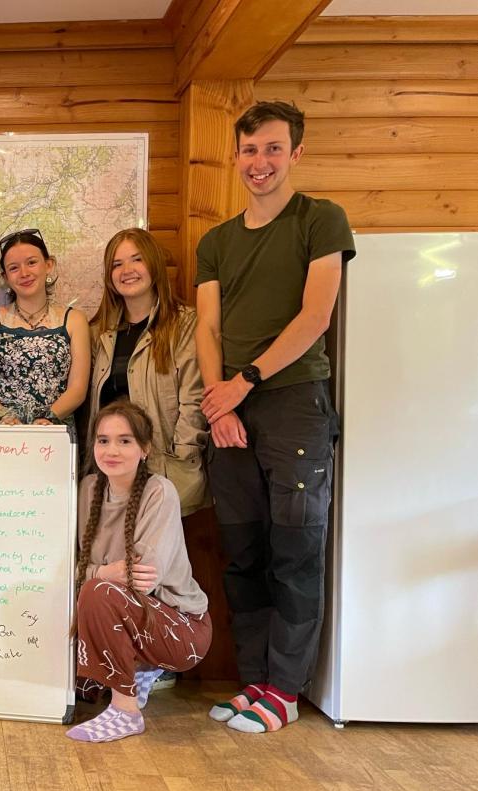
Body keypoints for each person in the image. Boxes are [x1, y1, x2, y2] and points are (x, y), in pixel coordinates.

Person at [195, 100, 355, 733]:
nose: (259, 162)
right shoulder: (216, 241)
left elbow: (316, 316)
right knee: (243, 550)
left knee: (295, 547)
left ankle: (285, 691)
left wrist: (244, 382)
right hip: (228, 410)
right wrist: (217, 401)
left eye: (271, 148)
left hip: (293, 404)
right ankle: (255, 681)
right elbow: (208, 326)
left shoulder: (321, 220)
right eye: (249, 149)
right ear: (236, 156)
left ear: (295, 152)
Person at [68, 401, 210, 743]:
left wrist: (94, 575)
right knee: (82, 599)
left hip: (182, 626)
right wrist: (103, 571)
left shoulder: (160, 491)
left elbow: (142, 578)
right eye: (103, 441)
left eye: (124, 441)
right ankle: (139, 670)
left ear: (144, 449)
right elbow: (66, 570)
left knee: (96, 592)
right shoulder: (88, 489)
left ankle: (126, 711)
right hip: (132, 614)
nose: (111, 450)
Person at [86, 227, 207, 516]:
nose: (127, 270)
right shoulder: (98, 332)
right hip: (110, 473)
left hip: (164, 471)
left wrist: (182, 457)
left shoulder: (185, 324)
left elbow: (194, 398)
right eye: (117, 264)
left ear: (153, 264)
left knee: (156, 559)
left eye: (136, 260)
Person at [0, 228, 89, 427]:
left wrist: (47, 420)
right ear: (6, 276)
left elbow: (77, 390)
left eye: (32, 262)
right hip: (0, 433)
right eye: (14, 268)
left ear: (48, 265)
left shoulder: (74, 320)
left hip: (53, 432)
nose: (24, 273)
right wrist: (5, 418)